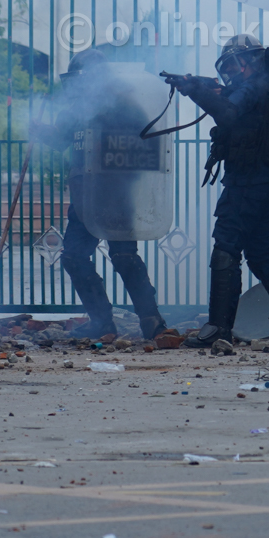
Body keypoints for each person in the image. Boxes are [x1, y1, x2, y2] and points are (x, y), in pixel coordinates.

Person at [162, 34, 269, 348]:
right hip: (260, 186)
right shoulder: (264, 86)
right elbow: (229, 99)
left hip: (245, 186)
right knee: (259, 255)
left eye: (234, 63)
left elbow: (228, 112)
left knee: (226, 248)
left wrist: (195, 91)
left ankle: (218, 328)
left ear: (250, 61)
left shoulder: (255, 86)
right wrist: (200, 85)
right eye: (226, 65)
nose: (230, 71)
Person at [36, 49, 168, 341]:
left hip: (115, 193)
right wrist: (39, 130)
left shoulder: (124, 104)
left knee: (123, 256)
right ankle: (102, 322)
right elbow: (60, 140)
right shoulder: (77, 110)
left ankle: (152, 319)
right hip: (85, 196)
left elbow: (146, 149)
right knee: (74, 257)